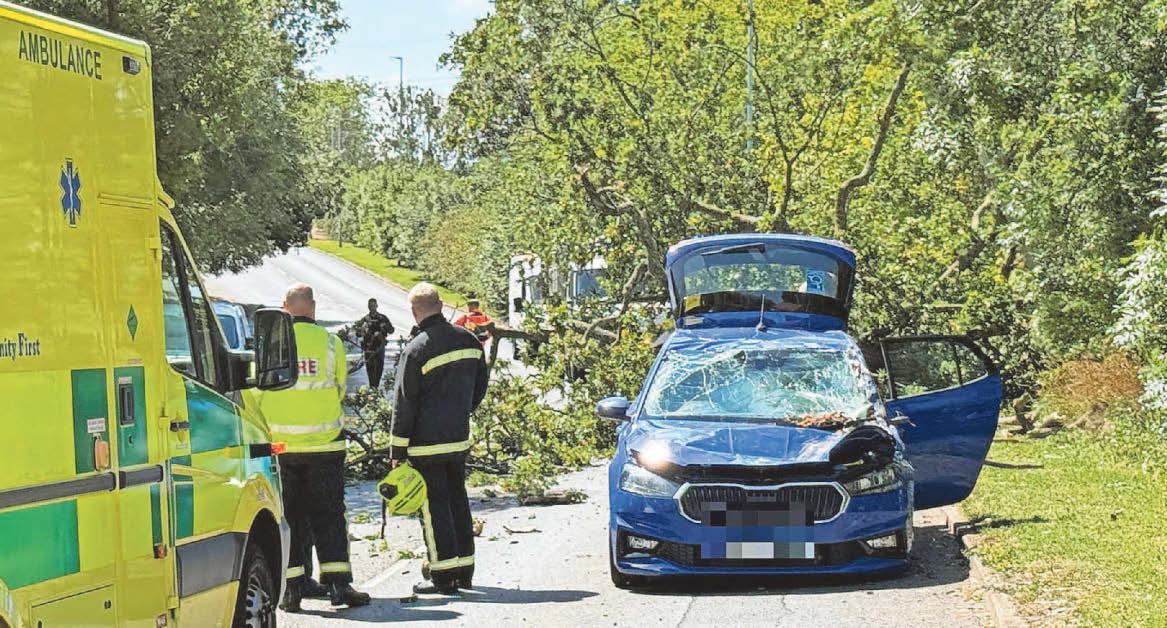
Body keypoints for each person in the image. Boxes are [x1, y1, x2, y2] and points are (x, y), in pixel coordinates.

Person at [254, 283, 370, 611]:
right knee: (329, 515)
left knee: (288, 518)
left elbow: (257, 395)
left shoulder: (271, 347)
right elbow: (339, 389)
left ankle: (292, 590)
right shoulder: (331, 344)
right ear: (313, 308)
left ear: (283, 308)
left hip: (281, 449)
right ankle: (338, 586)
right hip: (324, 446)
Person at [391, 283, 490, 595]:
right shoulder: (469, 340)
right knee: (458, 502)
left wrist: (397, 448)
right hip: (457, 439)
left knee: (434, 509)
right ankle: (465, 571)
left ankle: (443, 576)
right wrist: (462, 412)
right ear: (442, 305)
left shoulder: (416, 349)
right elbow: (480, 386)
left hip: (425, 444)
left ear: (415, 312)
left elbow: (404, 403)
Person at [355, 298, 395, 388]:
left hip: (379, 347)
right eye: (370, 306)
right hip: (369, 349)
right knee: (370, 371)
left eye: (374, 305)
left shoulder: (382, 318)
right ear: (368, 307)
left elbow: (391, 330)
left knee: (379, 370)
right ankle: (372, 389)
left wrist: (385, 327)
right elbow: (357, 334)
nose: (372, 307)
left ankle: (375, 388)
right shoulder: (365, 320)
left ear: (377, 306)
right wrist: (362, 329)